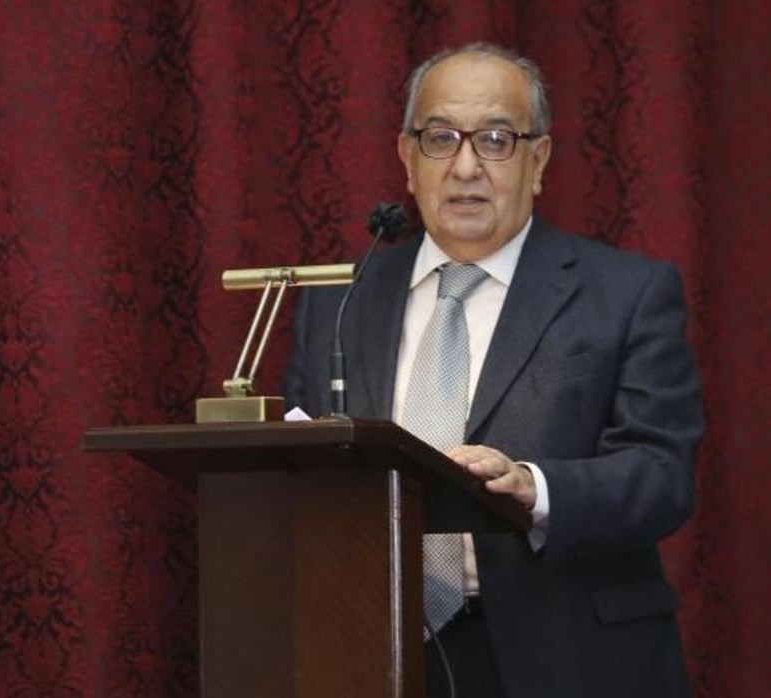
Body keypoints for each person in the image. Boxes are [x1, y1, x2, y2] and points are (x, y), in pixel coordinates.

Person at [284, 42, 703, 697]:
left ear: (538, 160)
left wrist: (534, 489)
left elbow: (661, 475)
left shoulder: (626, 294)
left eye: (497, 140)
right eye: (441, 138)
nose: (465, 167)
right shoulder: (338, 301)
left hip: (570, 657)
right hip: (373, 656)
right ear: (406, 157)